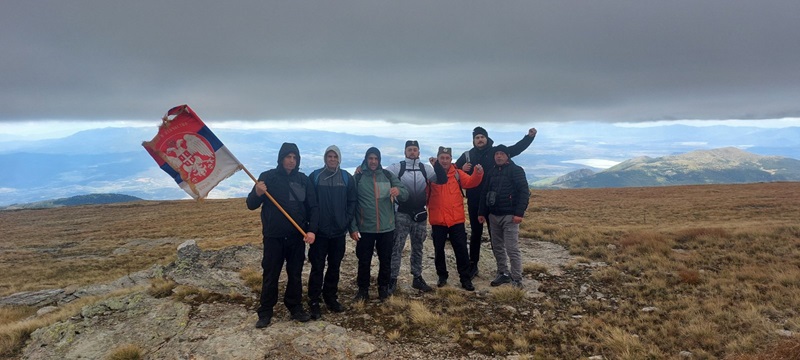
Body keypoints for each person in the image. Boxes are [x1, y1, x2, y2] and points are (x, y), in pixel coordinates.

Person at [247, 142, 318, 328]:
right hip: (273, 237)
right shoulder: (267, 178)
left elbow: (313, 207)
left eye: (295, 157)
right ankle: (265, 311)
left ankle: (294, 306)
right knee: (271, 274)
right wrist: (257, 192)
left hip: (296, 238)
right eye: (288, 157)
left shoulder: (303, 180)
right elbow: (251, 204)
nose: (291, 161)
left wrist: (311, 230)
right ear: (281, 158)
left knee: (294, 274)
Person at [455, 126, 537, 279]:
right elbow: (452, 170)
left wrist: (529, 137)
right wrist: (461, 167)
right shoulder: (467, 155)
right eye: (477, 138)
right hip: (474, 199)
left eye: (482, 137)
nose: (480, 140)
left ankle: (501, 269)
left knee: (496, 236)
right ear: (473, 141)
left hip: (493, 201)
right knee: (476, 233)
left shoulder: (495, 152)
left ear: (487, 139)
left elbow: (516, 149)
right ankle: (473, 265)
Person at [350, 147, 408, 302]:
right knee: (364, 261)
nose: (373, 161)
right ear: (366, 159)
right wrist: (353, 227)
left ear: (379, 160)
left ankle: (383, 289)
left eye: (376, 159)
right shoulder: (358, 178)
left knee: (386, 260)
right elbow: (351, 205)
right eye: (371, 158)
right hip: (365, 228)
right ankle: (363, 290)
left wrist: (398, 191)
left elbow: (405, 192)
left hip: (386, 227)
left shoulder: (388, 176)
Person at [306, 145, 357, 320]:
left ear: (339, 158)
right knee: (317, 267)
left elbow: (352, 201)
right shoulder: (315, 176)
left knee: (334, 267)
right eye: (329, 156)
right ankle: (313, 300)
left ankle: (330, 297)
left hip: (338, 232)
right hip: (319, 233)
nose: (332, 159)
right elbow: (309, 203)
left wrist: (346, 220)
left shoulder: (347, 178)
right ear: (325, 158)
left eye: (335, 156)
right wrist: (312, 226)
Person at [427, 146, 484, 290]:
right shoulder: (431, 175)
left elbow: (471, 182)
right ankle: (442, 276)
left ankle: (465, 279)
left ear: (451, 159)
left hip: (456, 220)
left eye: (447, 158)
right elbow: (423, 192)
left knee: (461, 250)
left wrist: (478, 173)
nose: (445, 161)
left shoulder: (457, 174)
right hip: (438, 219)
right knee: (439, 250)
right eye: (442, 158)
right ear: (438, 159)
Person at [385, 140, 437, 294]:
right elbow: (379, 174)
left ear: (419, 152)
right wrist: (362, 169)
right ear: (405, 152)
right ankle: (392, 279)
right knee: (397, 247)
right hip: (402, 213)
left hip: (420, 214)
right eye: (410, 150)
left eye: (415, 150)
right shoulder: (397, 167)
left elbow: (441, 179)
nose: (412, 152)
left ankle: (417, 278)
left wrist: (437, 165)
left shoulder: (425, 169)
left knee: (418, 247)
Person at [477, 145, 530, 288]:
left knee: (511, 248)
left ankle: (517, 278)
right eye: (496, 154)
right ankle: (503, 273)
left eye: (501, 154)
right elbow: (484, 192)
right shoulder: (491, 172)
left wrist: (519, 213)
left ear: (507, 156)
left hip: (510, 216)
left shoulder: (516, 170)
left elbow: (524, 192)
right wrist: (482, 212)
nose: (498, 156)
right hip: (493, 215)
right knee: (497, 246)